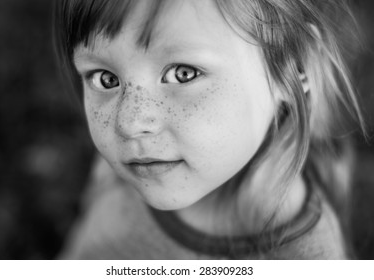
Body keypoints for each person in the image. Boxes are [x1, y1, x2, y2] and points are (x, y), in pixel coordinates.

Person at [53, 0, 366, 259]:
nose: (129, 124)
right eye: (105, 79)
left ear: (291, 66)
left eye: (183, 73)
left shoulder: (306, 262)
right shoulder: (127, 168)